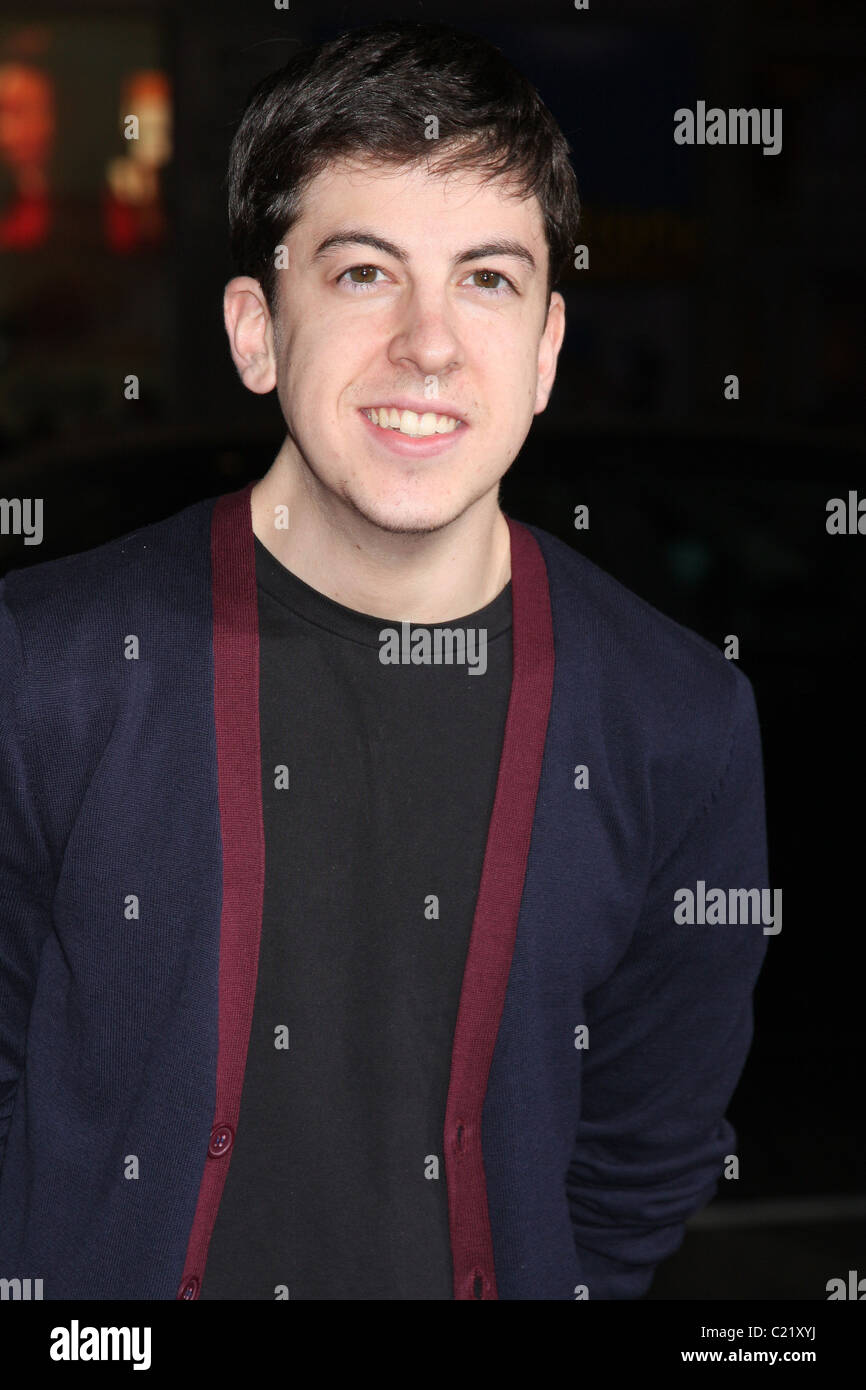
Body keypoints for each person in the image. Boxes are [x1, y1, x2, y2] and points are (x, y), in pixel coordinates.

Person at [0, 21, 770, 1301]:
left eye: (486, 279)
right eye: (364, 273)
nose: (427, 343)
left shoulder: (675, 719)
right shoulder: (48, 666)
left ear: (545, 349)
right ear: (256, 329)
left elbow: (643, 1156)